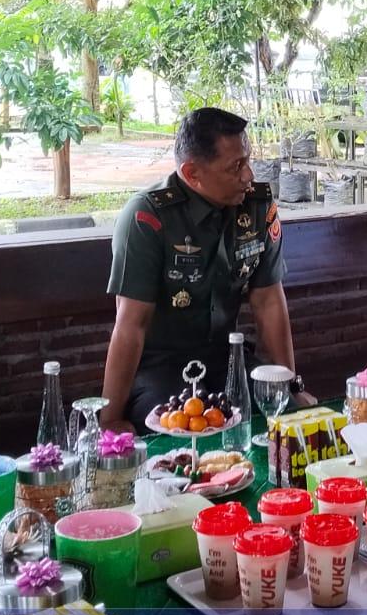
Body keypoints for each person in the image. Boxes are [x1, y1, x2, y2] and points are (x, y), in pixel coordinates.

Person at [100, 108, 306, 433]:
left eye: (248, 160)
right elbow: (131, 325)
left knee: (288, 424)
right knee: (180, 434)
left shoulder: (257, 207)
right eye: (235, 166)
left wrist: (290, 387)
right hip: (161, 368)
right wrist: (110, 420)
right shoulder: (148, 217)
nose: (248, 175)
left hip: (228, 359)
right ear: (192, 173)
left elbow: (268, 301)